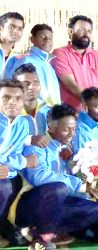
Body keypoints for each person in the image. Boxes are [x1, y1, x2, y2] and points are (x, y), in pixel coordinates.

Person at [17, 104, 98, 248]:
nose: (72, 134)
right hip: (30, 205)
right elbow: (38, 177)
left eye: (74, 128)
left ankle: (52, 230)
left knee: (95, 210)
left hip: (54, 207)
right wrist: (79, 184)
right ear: (52, 128)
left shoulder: (66, 150)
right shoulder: (37, 146)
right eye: (66, 129)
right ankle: (42, 235)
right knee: (59, 188)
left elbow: (82, 179)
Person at [0, 79, 38, 247]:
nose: (12, 102)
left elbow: (14, 149)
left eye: (17, 98)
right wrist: (24, 161)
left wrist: (33, 141)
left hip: (8, 175)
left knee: (9, 185)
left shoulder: (23, 123)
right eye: (6, 97)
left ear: (23, 101)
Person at [51, 15, 98, 110]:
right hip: (70, 116)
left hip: (96, 115)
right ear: (70, 32)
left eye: (89, 31)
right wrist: (94, 104)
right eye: (81, 30)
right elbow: (72, 85)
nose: (86, 34)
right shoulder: (60, 53)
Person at [4, 24, 61, 106]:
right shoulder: (25, 60)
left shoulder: (48, 63)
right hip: (33, 114)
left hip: (52, 114)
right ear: (32, 39)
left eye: (50, 38)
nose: (47, 40)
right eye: (43, 37)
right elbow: (11, 88)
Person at [13, 63, 51, 137]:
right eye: (25, 84)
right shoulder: (9, 116)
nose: (32, 87)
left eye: (36, 83)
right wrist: (29, 141)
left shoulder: (50, 111)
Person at [71, 87, 98, 154]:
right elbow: (82, 162)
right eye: (97, 107)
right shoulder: (81, 130)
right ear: (85, 107)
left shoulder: (95, 128)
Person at [0, 12, 24, 78]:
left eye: (20, 29)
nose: (16, 31)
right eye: (11, 27)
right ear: (0, 28)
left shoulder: (18, 57)